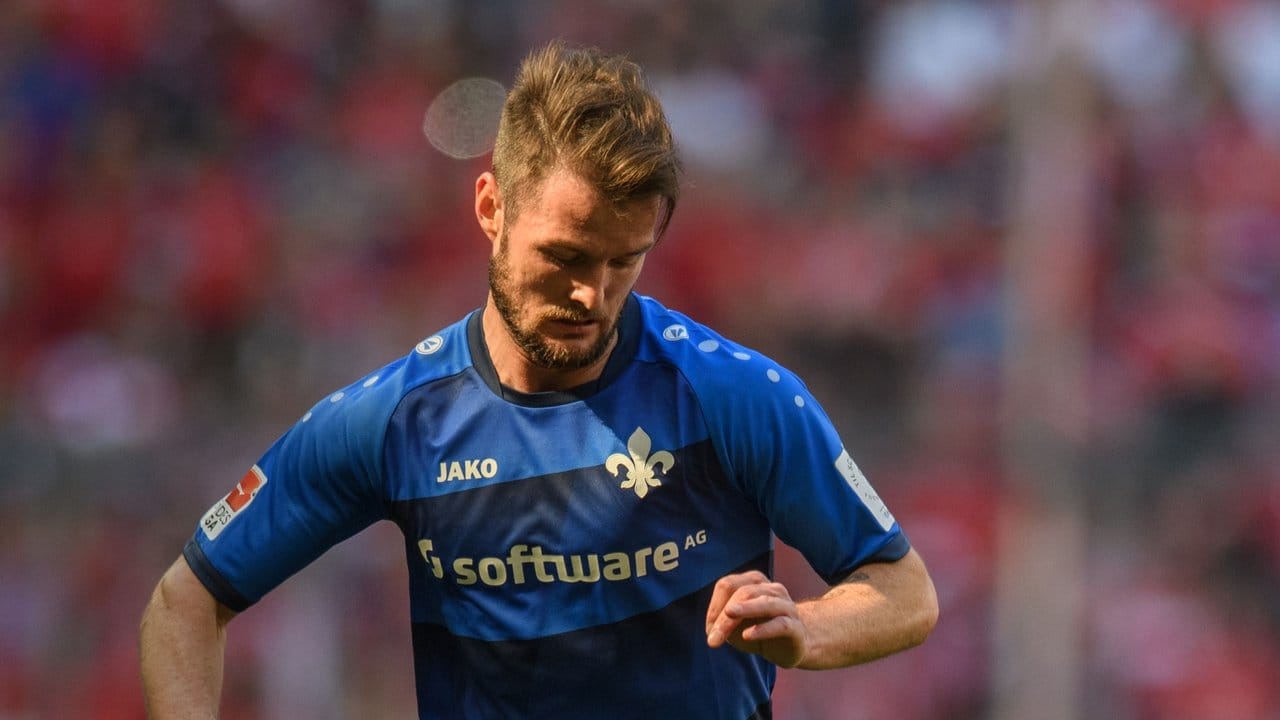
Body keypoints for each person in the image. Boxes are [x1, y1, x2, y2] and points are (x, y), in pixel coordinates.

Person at [139, 41, 938, 720]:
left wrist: (808, 627)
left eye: (624, 261)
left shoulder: (732, 396)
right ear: (491, 208)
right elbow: (186, 602)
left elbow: (902, 588)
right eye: (564, 256)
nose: (592, 294)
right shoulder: (395, 420)